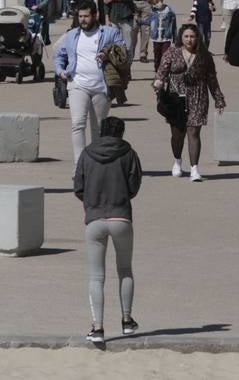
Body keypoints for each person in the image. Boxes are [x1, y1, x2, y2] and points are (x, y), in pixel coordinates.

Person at [74, 115, 143, 345]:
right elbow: (134, 185)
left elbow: (78, 187)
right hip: (121, 217)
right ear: (121, 132)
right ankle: (126, 321)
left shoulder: (87, 153)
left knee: (96, 276)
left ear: (102, 131)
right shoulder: (128, 153)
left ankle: (97, 327)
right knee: (125, 270)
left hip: (94, 219)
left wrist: (92, 201)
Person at [54, 3, 128, 162]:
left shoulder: (109, 32)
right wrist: (60, 71)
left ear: (95, 16)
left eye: (86, 16)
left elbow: (124, 54)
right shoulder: (72, 35)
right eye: (80, 17)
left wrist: (107, 54)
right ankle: (79, 165)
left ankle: (95, 164)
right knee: (78, 125)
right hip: (77, 85)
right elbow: (59, 54)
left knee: (98, 129)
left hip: (101, 86)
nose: (83, 20)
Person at [153, 24, 226, 182]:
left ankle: (194, 169)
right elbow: (162, 72)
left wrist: (219, 99)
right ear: (181, 37)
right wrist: (158, 83)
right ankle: (177, 161)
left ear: (197, 38)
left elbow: (212, 79)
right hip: (175, 98)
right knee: (177, 135)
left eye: (192, 36)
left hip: (198, 97)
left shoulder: (205, 56)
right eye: (186, 36)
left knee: (193, 132)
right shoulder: (172, 52)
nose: (189, 39)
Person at [141, 0, 176, 70]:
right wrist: (139, 21)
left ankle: (164, 70)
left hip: (166, 37)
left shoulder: (169, 11)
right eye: (153, 4)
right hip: (156, 38)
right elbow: (148, 21)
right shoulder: (153, 12)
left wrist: (175, 37)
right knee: (157, 55)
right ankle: (157, 69)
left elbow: (174, 25)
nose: (155, 5)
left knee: (165, 55)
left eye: (156, 2)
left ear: (161, 0)